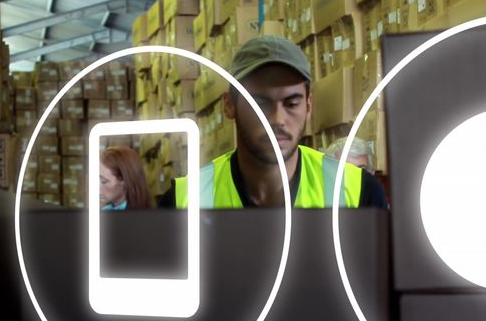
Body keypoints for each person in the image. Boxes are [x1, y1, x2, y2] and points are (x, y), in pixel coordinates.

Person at [158, 35, 387, 209]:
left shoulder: (358, 192)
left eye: (291, 103)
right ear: (229, 105)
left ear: (308, 106)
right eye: (260, 104)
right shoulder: (183, 202)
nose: (277, 119)